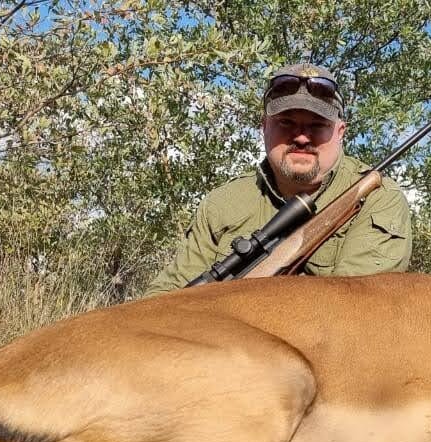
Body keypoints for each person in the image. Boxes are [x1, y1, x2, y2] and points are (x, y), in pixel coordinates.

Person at [145, 63, 412, 296]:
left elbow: (349, 309)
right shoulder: (221, 204)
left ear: (340, 132)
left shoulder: (377, 200)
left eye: (317, 125)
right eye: (286, 123)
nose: (301, 137)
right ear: (264, 127)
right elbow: (166, 295)